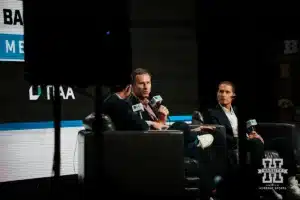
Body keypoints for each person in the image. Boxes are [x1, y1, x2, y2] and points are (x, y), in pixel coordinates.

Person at [204, 81, 300, 199]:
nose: (223, 94)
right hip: (234, 143)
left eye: (227, 92)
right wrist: (244, 138)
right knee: (256, 143)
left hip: (249, 140)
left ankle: (291, 182)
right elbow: (217, 133)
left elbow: (249, 124)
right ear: (217, 94)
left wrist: (252, 132)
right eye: (221, 91)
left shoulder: (238, 111)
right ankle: (263, 186)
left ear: (233, 96)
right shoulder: (212, 113)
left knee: (284, 142)